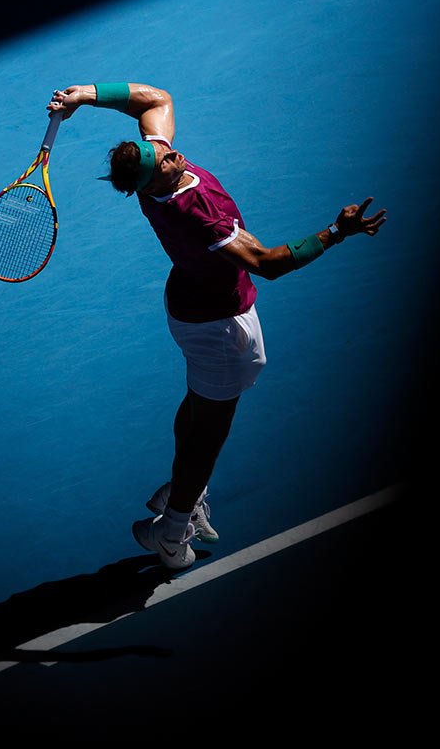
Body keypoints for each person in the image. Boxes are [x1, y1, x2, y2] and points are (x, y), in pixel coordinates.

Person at [46, 82, 386, 570]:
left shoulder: (156, 172)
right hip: (220, 330)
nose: (169, 153)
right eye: (160, 161)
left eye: (158, 150)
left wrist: (87, 95)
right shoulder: (199, 215)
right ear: (154, 182)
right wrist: (337, 233)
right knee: (211, 431)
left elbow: (155, 99)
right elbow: (266, 262)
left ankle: (181, 490)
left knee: (200, 406)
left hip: (189, 306)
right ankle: (173, 529)